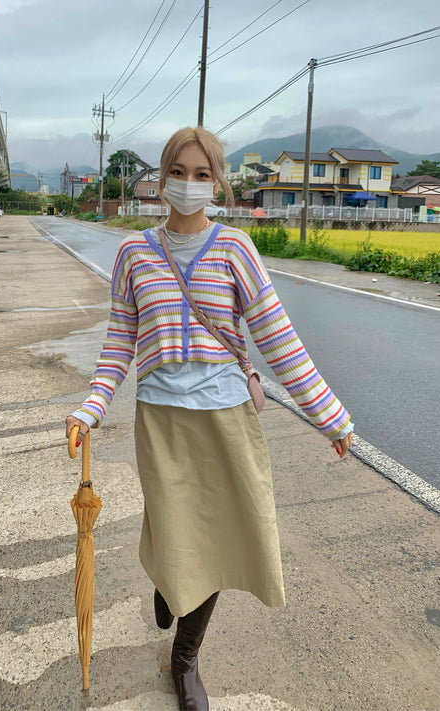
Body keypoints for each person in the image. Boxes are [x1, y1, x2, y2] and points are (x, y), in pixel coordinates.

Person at [65, 126, 353, 711]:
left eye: (203, 175)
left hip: (226, 417)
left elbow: (279, 341)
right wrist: (90, 409)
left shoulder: (235, 250)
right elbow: (120, 342)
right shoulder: (134, 253)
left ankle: (186, 657)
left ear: (217, 182)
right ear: (162, 176)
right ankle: (168, 584)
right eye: (179, 172)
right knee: (176, 532)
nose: (190, 185)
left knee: (216, 538)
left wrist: (331, 417)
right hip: (163, 420)